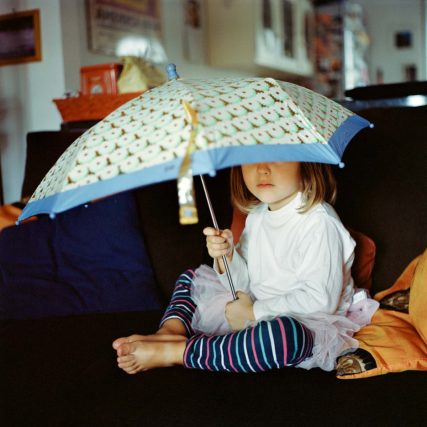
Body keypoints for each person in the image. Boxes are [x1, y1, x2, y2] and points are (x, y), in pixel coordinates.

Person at [113, 161, 378, 374]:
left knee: (282, 337)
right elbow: (242, 284)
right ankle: (170, 332)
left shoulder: (319, 222)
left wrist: (253, 312)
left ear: (306, 164)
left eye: (278, 157)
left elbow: (320, 301)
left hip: (307, 319)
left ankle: (180, 351)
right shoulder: (258, 216)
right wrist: (227, 257)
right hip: (251, 306)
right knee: (192, 278)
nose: (262, 168)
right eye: (252, 160)